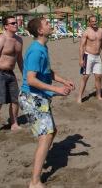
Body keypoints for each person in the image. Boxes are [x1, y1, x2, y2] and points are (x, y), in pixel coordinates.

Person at [19, 17, 75, 187]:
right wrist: (57, 89)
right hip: (32, 97)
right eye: (47, 24)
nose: (51, 25)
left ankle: (42, 156)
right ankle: (34, 181)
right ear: (40, 31)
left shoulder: (43, 47)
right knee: (47, 136)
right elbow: (31, 80)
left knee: (52, 132)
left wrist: (63, 81)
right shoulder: (36, 50)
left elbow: (47, 71)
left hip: (39, 96)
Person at [77, 16, 102, 103]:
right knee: (85, 77)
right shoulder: (86, 32)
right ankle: (79, 97)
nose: (94, 23)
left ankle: (98, 95)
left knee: (99, 76)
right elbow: (81, 46)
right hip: (88, 56)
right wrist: (81, 59)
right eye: (92, 21)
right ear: (89, 22)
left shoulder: (101, 31)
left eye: (95, 21)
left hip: (97, 57)